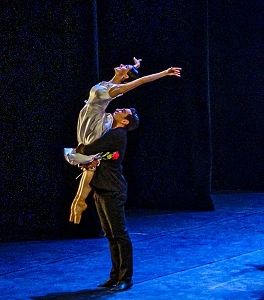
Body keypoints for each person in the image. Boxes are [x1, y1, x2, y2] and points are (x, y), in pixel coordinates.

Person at [67, 59, 181, 223]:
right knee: (88, 159)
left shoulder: (115, 89)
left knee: (89, 157)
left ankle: (80, 200)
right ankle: (80, 200)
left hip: (94, 121)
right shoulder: (109, 83)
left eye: (125, 67)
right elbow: (132, 75)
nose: (121, 65)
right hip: (88, 116)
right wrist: (135, 67)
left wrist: (164, 73)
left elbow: (141, 81)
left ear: (125, 76)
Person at [75, 108, 140, 290]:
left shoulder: (117, 134)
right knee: (110, 235)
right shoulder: (111, 133)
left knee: (119, 234)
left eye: (123, 111)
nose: (118, 109)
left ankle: (125, 278)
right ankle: (115, 276)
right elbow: (101, 155)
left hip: (112, 189)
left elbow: (90, 148)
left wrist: (81, 149)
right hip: (102, 188)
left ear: (125, 121)